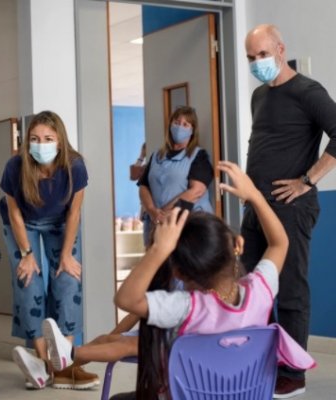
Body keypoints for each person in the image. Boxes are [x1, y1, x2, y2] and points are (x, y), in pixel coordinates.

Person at [68, 160, 313, 399]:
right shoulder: (261, 290)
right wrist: (255, 196)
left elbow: (125, 299)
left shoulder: (187, 307)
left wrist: (158, 250)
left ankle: (66, 358)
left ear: (179, 273)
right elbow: (280, 243)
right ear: (238, 245)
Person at [244, 24, 336, 398]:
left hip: (292, 208)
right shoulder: (258, 96)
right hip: (256, 207)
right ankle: (261, 361)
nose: (256, 63)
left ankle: (293, 373)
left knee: (291, 290)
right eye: (250, 57)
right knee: (249, 286)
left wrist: (306, 181)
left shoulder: (308, 92)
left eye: (262, 55)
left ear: (280, 49)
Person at [0, 110, 98, 390]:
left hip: (60, 222)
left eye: (48, 138)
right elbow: (15, 214)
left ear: (60, 141)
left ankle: (62, 362)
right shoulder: (15, 166)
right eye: (35, 138)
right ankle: (42, 362)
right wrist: (27, 255)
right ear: (27, 141)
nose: (41, 144)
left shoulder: (75, 166)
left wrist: (66, 255)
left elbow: (74, 213)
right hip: (22, 223)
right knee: (28, 280)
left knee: (68, 278)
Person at [138, 106, 214, 245]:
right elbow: (143, 186)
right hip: (156, 223)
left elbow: (197, 191)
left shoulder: (198, 156)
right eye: (177, 122)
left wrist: (164, 212)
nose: (180, 127)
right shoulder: (156, 156)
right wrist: (152, 210)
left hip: (188, 224)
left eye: (185, 124)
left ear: (192, 130)